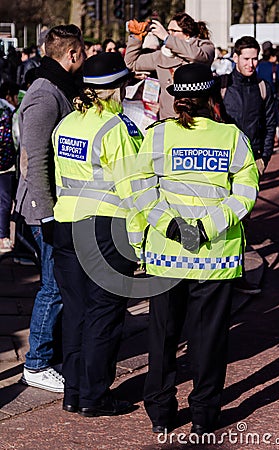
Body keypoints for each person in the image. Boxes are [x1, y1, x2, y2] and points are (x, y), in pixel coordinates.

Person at [127, 62, 259, 434]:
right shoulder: (232, 137)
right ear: (212, 96)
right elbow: (245, 193)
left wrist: (167, 227)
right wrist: (205, 229)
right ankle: (203, 416)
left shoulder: (157, 136)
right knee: (208, 342)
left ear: (177, 99)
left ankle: (161, 415)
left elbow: (138, 190)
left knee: (163, 337)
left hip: (167, 255)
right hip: (214, 257)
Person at [52, 52, 143, 416]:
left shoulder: (67, 124)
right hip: (105, 228)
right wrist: (139, 242)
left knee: (75, 312)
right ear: (116, 89)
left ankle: (73, 392)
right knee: (104, 314)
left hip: (66, 225)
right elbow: (132, 188)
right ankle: (95, 396)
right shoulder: (115, 127)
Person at [14, 24, 85, 392]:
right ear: (73, 54)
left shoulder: (56, 86)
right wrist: (46, 213)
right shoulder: (45, 93)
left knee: (58, 283)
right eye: (83, 52)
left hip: (55, 202)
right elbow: (35, 158)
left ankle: (48, 354)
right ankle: (37, 362)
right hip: (46, 206)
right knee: (53, 285)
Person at [125, 12, 215, 119]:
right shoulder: (163, 55)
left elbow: (196, 56)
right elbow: (131, 63)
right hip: (169, 117)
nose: (169, 33)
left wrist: (167, 38)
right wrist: (136, 37)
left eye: (174, 31)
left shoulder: (204, 46)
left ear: (187, 33)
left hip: (197, 117)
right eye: (168, 31)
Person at [219, 36, 276, 177]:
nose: (251, 64)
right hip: (223, 159)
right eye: (246, 59)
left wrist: (264, 158)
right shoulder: (221, 85)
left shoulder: (263, 87)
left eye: (254, 59)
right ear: (235, 58)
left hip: (252, 158)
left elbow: (270, 124)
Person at [0, 81, 19, 252]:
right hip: (6, 164)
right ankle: (3, 236)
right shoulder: (9, 111)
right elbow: (16, 138)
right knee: (6, 201)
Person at [257, 47, 279, 152]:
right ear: (272, 57)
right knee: (277, 119)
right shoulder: (275, 67)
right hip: (273, 96)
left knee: (261, 120)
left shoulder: (259, 65)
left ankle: (262, 144)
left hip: (260, 95)